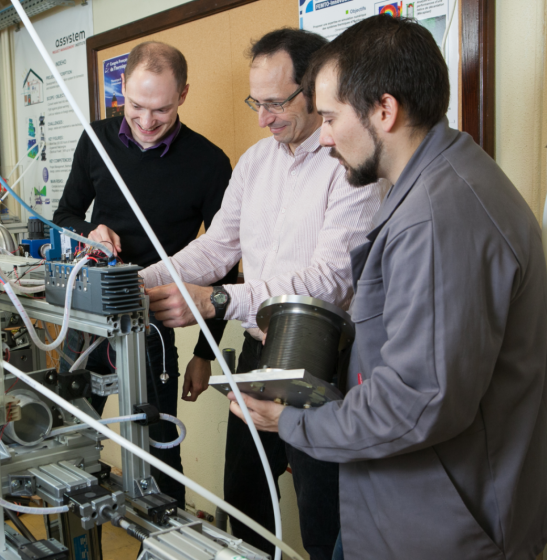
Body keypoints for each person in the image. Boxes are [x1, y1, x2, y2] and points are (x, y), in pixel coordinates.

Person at [238, 15, 547, 559]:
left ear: (385, 110)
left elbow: (416, 401)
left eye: (331, 117)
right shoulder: (441, 179)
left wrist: (292, 423)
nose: (325, 135)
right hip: (401, 505)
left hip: (444, 524)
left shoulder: (437, 217)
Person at [141, 29, 384, 560]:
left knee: (324, 510)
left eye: (276, 103)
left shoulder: (349, 165)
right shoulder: (254, 163)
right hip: (258, 353)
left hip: (324, 362)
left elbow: (328, 280)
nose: (263, 117)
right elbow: (216, 250)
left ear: (315, 90)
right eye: (257, 102)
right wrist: (146, 278)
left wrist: (221, 301)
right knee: (244, 500)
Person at [53, 41, 237, 508]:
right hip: (88, 316)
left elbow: (225, 262)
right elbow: (65, 214)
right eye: (136, 106)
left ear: (184, 95)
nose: (147, 121)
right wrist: (89, 231)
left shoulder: (209, 162)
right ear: (121, 91)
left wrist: (203, 353)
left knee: (161, 451)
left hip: (152, 327)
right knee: (66, 438)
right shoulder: (95, 139)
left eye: (162, 109)